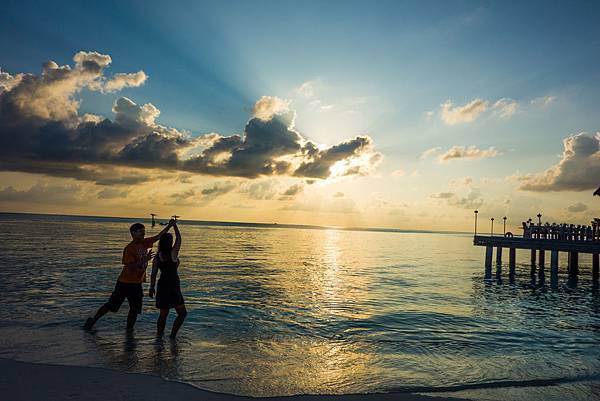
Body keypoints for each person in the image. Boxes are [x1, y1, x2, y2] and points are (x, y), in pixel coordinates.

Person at [84, 219, 175, 331]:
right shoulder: (129, 248)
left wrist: (170, 226)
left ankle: (129, 332)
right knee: (111, 305)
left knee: (135, 309)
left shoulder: (145, 243)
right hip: (124, 283)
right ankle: (93, 321)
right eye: (141, 231)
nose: (143, 233)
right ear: (133, 233)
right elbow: (130, 267)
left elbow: (159, 236)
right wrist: (145, 259)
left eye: (144, 231)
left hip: (137, 284)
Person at [149, 220, 187, 338]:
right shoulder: (173, 253)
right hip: (173, 285)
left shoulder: (157, 257)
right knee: (182, 313)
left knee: (163, 314)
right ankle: (172, 336)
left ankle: (159, 337)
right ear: (170, 242)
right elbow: (179, 239)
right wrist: (174, 225)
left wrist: (151, 287)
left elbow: (153, 273)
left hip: (162, 285)